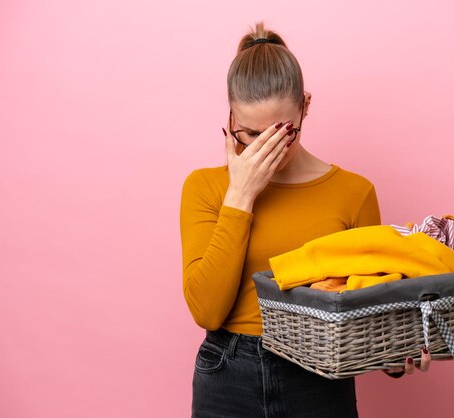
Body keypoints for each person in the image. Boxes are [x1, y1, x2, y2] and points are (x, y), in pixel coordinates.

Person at [180, 21, 433, 418]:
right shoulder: (205, 187)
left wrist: (389, 355)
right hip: (228, 372)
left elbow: (368, 307)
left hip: (319, 375)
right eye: (249, 134)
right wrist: (241, 195)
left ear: (306, 107)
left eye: (282, 133)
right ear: (230, 118)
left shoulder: (354, 193)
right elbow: (207, 312)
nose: (267, 150)